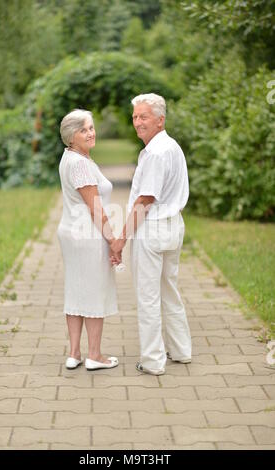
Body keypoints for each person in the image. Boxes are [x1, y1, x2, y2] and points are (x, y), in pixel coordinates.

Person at [111, 93, 192, 375]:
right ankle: (181, 351)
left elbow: (145, 201)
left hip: (154, 229)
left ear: (160, 119)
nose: (137, 122)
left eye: (143, 116)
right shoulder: (172, 146)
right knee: (169, 289)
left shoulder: (156, 152)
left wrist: (121, 239)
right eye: (135, 116)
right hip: (173, 227)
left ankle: (153, 361)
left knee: (148, 297)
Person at [57, 109, 120, 371]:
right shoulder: (81, 163)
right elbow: (95, 208)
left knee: (76, 288)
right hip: (88, 234)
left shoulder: (71, 157)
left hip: (71, 232)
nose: (91, 133)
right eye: (84, 130)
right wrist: (113, 241)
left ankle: (74, 353)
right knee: (95, 291)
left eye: (92, 128)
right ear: (71, 136)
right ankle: (94, 355)